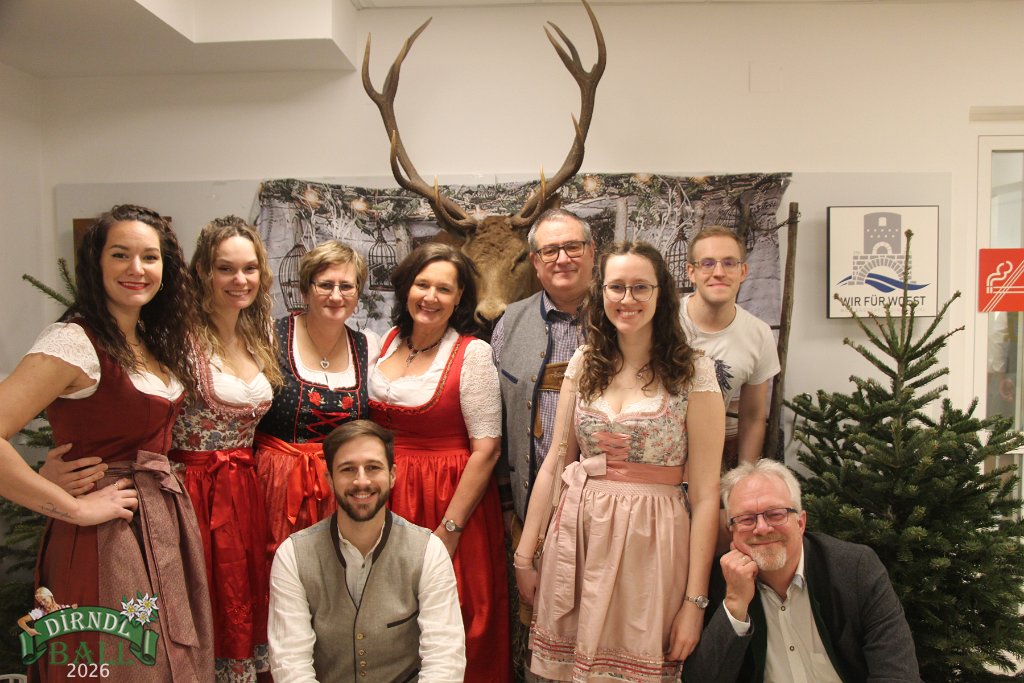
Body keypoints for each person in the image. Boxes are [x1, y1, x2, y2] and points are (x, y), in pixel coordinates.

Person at [11, 204, 214, 681]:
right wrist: (71, 507)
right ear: (96, 263)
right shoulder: (73, 341)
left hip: (159, 521)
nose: (136, 269)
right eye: (120, 254)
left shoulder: (149, 337)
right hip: (102, 535)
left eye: (150, 257)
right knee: (116, 662)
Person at [515, 241, 725, 682]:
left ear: (661, 293)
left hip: (652, 544)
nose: (627, 299)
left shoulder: (694, 372)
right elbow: (555, 463)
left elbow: (707, 496)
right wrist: (524, 556)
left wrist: (695, 602)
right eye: (616, 287)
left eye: (640, 287)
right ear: (602, 293)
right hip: (578, 537)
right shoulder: (584, 363)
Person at [368, 242, 509, 683]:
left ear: (460, 297)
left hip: (446, 499)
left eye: (444, 289)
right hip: (386, 500)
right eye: (422, 284)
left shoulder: (472, 353)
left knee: (452, 617)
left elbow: (487, 450)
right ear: (406, 288)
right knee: (386, 618)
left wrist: (450, 529)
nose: (430, 297)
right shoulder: (385, 342)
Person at [683, 459, 922, 683]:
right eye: (746, 519)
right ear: (732, 532)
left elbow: (897, 674)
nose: (762, 528)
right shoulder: (722, 583)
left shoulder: (854, 568)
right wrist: (735, 605)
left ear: (800, 522)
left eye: (775, 514)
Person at [170, 216, 282, 682]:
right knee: (201, 596)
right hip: (194, 489)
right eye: (226, 269)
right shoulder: (178, 338)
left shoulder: (260, 333)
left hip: (245, 487)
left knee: (244, 593)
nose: (240, 280)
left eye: (249, 268)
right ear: (203, 272)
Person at [267, 420, 465, 682]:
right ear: (330, 479)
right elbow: (290, 665)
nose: (361, 481)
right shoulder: (292, 555)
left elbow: (445, 659)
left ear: (392, 475)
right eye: (348, 469)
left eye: (373, 467)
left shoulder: (429, 551)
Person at [255, 241, 380, 557]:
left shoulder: (368, 346)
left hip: (343, 486)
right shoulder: (269, 336)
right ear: (305, 289)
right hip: (277, 485)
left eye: (346, 286)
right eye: (325, 285)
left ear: (358, 293)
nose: (336, 296)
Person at [491, 208, 595, 583]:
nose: (562, 259)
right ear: (536, 263)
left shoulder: (623, 318)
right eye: (550, 251)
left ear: (592, 252)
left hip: (606, 519)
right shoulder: (510, 322)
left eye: (573, 247)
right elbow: (499, 421)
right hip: (530, 518)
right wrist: (507, 505)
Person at [681, 226, 780, 470]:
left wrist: (744, 479)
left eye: (729, 263)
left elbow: (753, 417)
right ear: (691, 272)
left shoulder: (758, 334)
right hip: (652, 460)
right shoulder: (663, 321)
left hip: (709, 458)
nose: (719, 272)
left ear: (743, 271)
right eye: (707, 263)